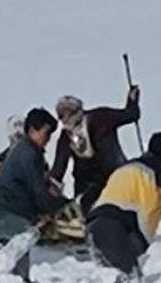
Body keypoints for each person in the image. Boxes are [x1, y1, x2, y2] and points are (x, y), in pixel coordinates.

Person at [87, 132, 161, 283]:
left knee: (108, 279)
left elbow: (94, 192)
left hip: (94, 224)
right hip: (120, 229)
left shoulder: (126, 167)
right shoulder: (158, 168)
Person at [0, 108, 64, 281]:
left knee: (23, 235)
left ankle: (12, 279)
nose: (48, 138)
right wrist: (54, 209)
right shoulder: (27, 153)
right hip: (1, 213)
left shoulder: (29, 152)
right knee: (24, 234)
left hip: (11, 212)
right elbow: (37, 189)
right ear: (32, 130)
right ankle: (13, 279)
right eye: (47, 133)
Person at [51, 86, 142, 214]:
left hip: (112, 175)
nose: (66, 119)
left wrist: (132, 100)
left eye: (68, 113)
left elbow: (131, 115)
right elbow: (58, 170)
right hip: (87, 184)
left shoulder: (101, 118)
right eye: (61, 116)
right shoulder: (65, 138)